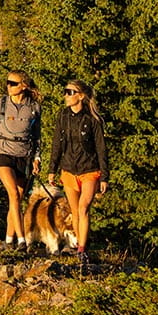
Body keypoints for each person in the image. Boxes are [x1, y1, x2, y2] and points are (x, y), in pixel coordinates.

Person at [48, 79, 108, 270]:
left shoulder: (93, 120)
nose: (66, 95)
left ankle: (82, 250)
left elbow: (101, 149)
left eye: (70, 92)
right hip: (68, 170)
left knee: (83, 209)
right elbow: (57, 143)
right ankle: (78, 247)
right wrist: (52, 169)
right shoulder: (63, 116)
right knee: (75, 212)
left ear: (80, 96)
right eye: (65, 92)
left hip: (90, 170)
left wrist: (105, 176)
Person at [0, 70, 42, 251]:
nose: (9, 86)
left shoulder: (34, 107)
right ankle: (21, 239)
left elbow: (37, 136)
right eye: (7, 82)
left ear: (24, 85)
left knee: (17, 199)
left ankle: (8, 240)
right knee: (13, 194)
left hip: (24, 156)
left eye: (13, 83)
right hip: (3, 153)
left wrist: (37, 158)